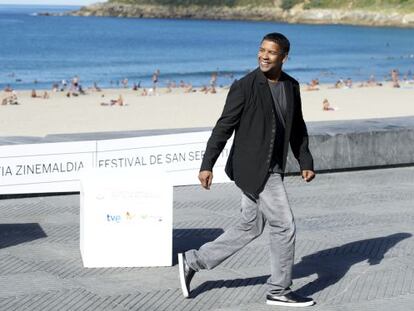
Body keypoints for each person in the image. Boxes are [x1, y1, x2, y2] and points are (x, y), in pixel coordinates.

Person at [178, 33, 315, 307]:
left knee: (250, 226)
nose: (264, 55)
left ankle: (193, 260)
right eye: (261, 50)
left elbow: (297, 126)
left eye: (271, 52)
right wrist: (207, 164)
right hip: (254, 167)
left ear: (284, 57)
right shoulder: (245, 86)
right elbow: (223, 127)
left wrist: (305, 161)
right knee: (284, 225)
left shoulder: (291, 86)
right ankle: (279, 290)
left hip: (273, 165)